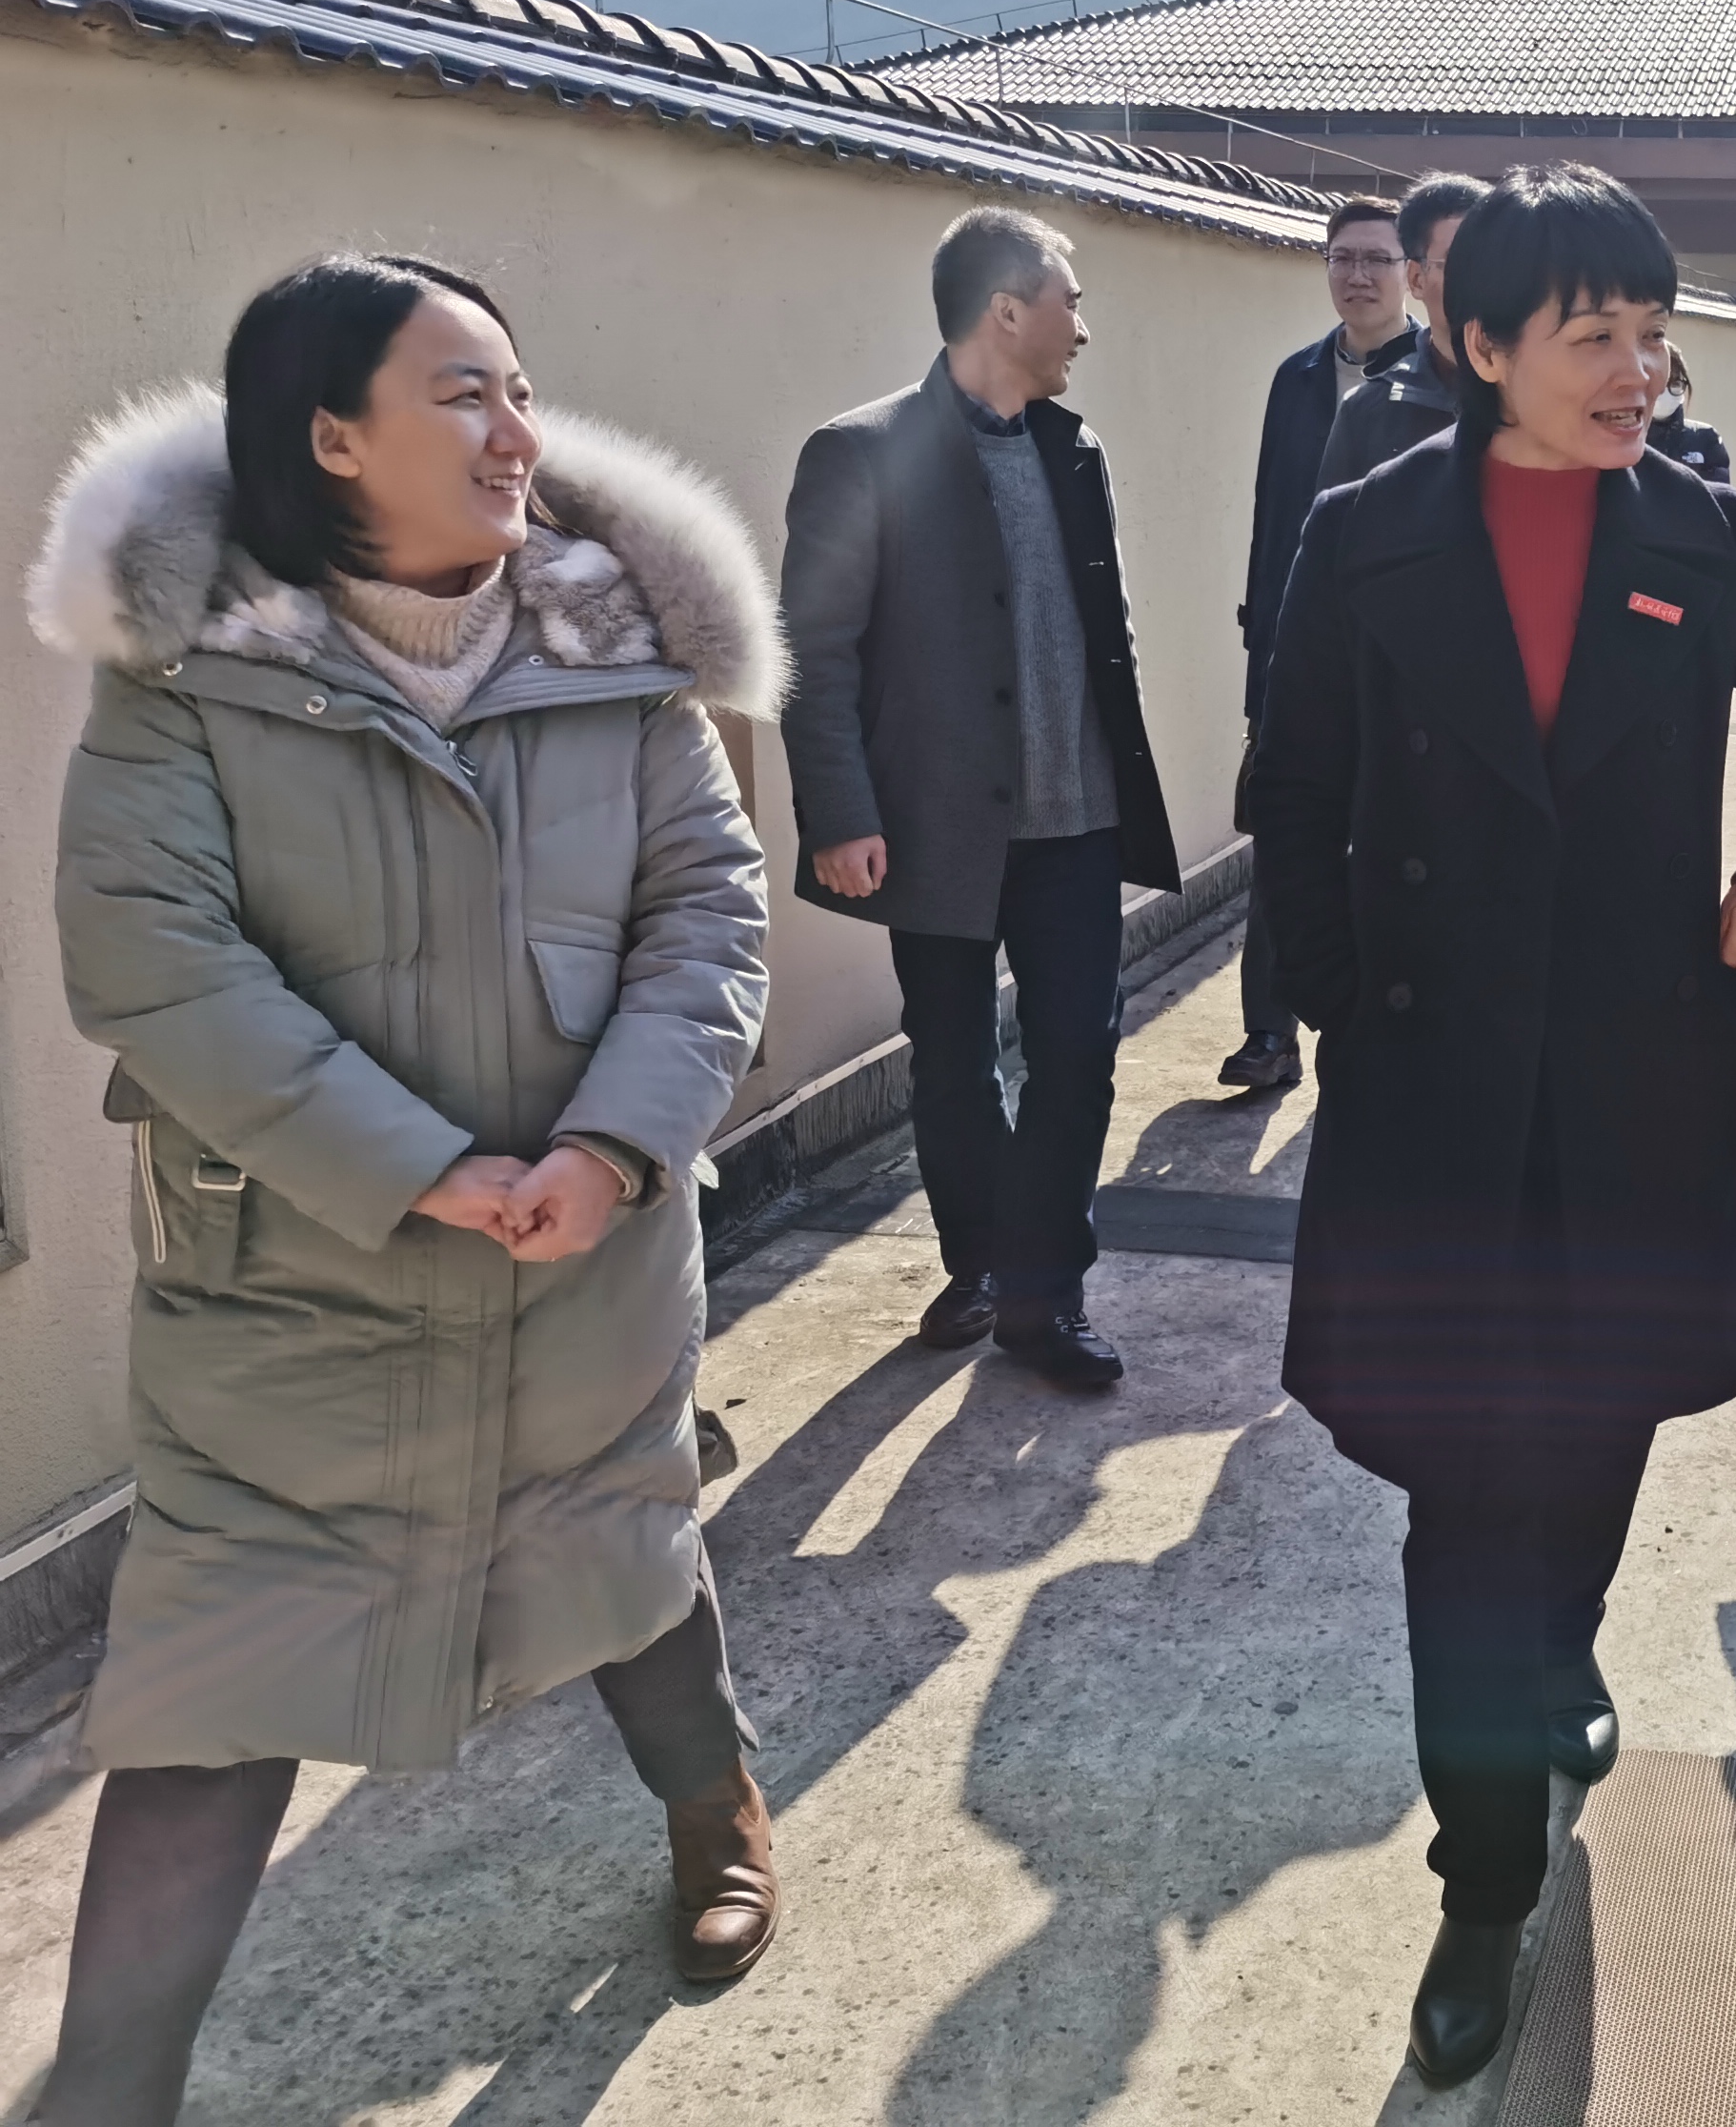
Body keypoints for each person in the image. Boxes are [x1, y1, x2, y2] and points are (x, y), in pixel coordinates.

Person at [29, 254, 785, 2122]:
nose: (517, 430)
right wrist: (422, 1168)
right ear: (332, 437)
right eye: (464, 394)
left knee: (622, 1557)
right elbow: (151, 958)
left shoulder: (618, 659)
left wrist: (610, 1149)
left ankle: (717, 1805)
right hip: (294, 1289)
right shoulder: (187, 672)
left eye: (519, 389)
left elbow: (707, 913)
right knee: (212, 1691)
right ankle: (105, 2087)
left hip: (586, 1260)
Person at [1248, 164, 1736, 2090]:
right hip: (1431, 1085)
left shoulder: (1695, 528)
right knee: (1462, 1495)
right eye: (1593, 334)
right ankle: (1485, 1879)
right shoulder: (1366, 534)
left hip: (1630, 1069)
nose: (1635, 371)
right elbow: (1296, 789)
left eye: (1650, 333)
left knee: (1591, 1437)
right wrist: (1341, 1002)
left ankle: (1560, 1645)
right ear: (1480, 343)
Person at [779, 208, 1181, 1390]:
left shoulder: (1075, 450)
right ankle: (980, 1264)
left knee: (1078, 1057)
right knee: (953, 1062)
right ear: (1007, 310)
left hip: (1078, 820)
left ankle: (1045, 1294)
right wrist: (840, 811)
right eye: (1069, 301)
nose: (1082, 329)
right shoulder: (861, 453)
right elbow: (814, 650)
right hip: (934, 826)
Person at [1227, 195, 1423, 1092]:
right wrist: (1258, 656)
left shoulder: (1439, 380)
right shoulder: (1296, 378)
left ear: (1410, 273)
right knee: (1288, 827)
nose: (1358, 276)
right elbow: (1274, 522)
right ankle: (1269, 1031)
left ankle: (1378, 1012)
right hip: (1297, 642)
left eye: (1377, 260)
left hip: (1395, 651)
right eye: (1343, 258)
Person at [1317, 172, 1490, 490]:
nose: (1479, 278)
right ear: (1416, 279)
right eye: (1458, 263)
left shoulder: (1540, 396)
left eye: (1490, 262)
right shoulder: (1368, 411)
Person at [1644, 340, 1736, 486]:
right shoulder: (1625, 441)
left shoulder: (1705, 439)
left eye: (1675, 383)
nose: (1666, 392)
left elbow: (1719, 495)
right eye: (1661, 382)